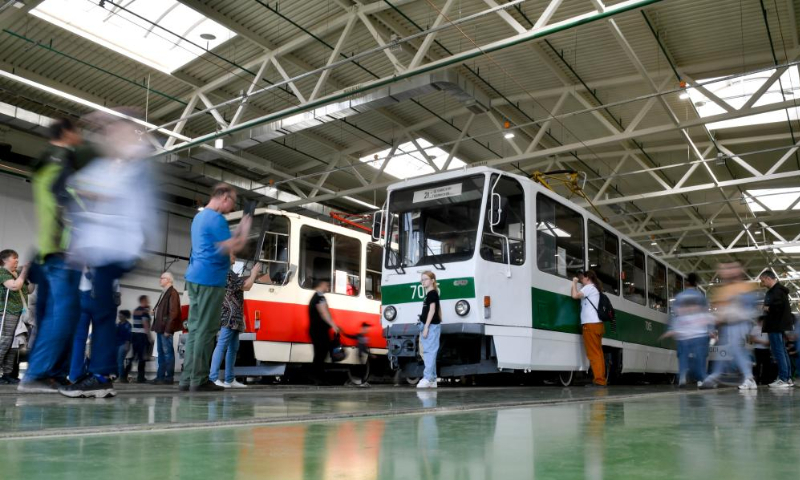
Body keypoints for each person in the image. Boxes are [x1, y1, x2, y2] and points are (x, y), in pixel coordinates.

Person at [57, 113, 155, 399]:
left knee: (101, 314)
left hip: (118, 248)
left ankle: (101, 376)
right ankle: (102, 375)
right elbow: (82, 186)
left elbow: (97, 188)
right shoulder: (107, 167)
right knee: (102, 313)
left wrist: (117, 123)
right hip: (105, 250)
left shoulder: (132, 167)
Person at [19, 118, 85, 393]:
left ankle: (51, 372)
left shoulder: (46, 162)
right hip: (62, 251)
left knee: (52, 315)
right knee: (63, 315)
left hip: (49, 250)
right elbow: (64, 200)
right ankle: (38, 372)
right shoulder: (61, 161)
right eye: (76, 132)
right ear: (67, 133)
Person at [180, 183, 252, 392]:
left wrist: (237, 231)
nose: (232, 207)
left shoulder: (200, 218)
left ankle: (188, 379)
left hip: (194, 277)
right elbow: (234, 247)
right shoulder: (216, 219)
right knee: (207, 330)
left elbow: (223, 244)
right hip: (210, 280)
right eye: (233, 202)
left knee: (195, 329)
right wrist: (245, 228)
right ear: (224, 198)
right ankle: (200, 379)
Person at [210, 256, 269, 388]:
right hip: (230, 316)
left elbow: (241, 283)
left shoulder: (230, 273)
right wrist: (254, 273)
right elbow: (246, 286)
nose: (234, 256)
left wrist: (253, 276)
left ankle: (229, 379)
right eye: (232, 254)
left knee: (233, 348)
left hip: (235, 316)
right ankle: (213, 377)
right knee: (222, 345)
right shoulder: (226, 272)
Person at [701, 263, 759, 390]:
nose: (725, 272)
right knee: (724, 352)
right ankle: (715, 376)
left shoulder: (744, 287)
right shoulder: (723, 290)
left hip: (739, 324)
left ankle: (749, 378)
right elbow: (720, 309)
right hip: (727, 326)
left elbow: (749, 307)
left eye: (730, 269)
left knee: (737, 350)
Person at [660, 273, 712, 387]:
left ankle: (682, 377)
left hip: (683, 333)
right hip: (699, 332)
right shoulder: (701, 298)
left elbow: (673, 314)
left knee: (683, 356)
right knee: (700, 358)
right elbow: (707, 315)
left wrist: (670, 329)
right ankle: (703, 378)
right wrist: (711, 330)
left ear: (686, 283)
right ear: (696, 284)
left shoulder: (679, 297)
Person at [0, 249, 33, 384]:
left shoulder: (17, 273)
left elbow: (29, 290)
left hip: (19, 313)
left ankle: (7, 374)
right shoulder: (2, 272)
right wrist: (24, 271)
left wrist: (29, 274)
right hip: (7, 312)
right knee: (4, 342)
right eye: (14, 258)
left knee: (14, 345)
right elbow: (14, 286)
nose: (17, 261)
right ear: (5, 260)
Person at [759, 270, 794, 388]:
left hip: (775, 325)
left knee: (778, 351)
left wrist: (766, 308)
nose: (762, 283)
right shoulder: (779, 291)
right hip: (779, 325)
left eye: (763, 280)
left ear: (768, 278)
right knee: (782, 351)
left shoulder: (776, 292)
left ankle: (783, 378)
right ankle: (787, 378)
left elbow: (776, 308)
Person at [571, 270, 607, 388]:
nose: (581, 280)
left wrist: (574, 283)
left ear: (587, 278)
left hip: (590, 325)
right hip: (598, 325)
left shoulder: (589, 287)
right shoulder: (595, 288)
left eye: (582, 278)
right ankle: (600, 379)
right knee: (599, 353)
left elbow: (574, 296)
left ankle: (599, 380)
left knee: (593, 354)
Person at [151, 272, 181, 385]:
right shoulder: (165, 293)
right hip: (161, 328)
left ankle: (169, 378)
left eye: (162, 278)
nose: (160, 280)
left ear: (168, 280)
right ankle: (160, 377)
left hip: (165, 329)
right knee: (161, 353)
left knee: (167, 353)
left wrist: (168, 329)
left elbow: (173, 312)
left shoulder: (172, 293)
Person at [308, 278, 339, 385]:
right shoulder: (320, 297)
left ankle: (317, 376)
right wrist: (333, 325)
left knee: (320, 353)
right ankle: (317, 376)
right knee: (321, 354)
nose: (328, 287)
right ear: (322, 284)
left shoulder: (315, 297)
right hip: (319, 331)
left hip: (316, 330)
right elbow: (324, 313)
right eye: (327, 285)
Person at [417, 271, 442, 389]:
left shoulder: (432, 293)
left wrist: (426, 327)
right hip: (428, 325)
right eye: (422, 279)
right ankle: (432, 379)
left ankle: (427, 378)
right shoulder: (430, 294)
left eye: (425, 279)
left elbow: (432, 311)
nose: (423, 281)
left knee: (429, 353)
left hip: (431, 326)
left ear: (432, 280)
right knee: (428, 352)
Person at [128, 296, 151, 384]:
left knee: (134, 355)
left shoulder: (135, 311)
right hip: (142, 335)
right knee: (142, 357)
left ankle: (124, 374)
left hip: (134, 335)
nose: (148, 302)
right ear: (143, 300)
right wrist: (149, 337)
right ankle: (140, 377)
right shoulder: (144, 312)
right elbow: (145, 324)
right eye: (147, 300)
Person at [749, 318, 773, 385]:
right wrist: (762, 342)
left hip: (766, 349)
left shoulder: (768, 328)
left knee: (766, 365)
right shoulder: (755, 328)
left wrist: (768, 342)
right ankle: (757, 379)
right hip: (758, 348)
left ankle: (765, 380)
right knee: (758, 365)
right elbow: (751, 339)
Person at [115, 310, 132, 382]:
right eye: (119, 316)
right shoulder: (118, 324)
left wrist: (127, 345)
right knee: (118, 361)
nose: (119, 317)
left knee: (120, 361)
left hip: (123, 344)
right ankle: (119, 376)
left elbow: (128, 336)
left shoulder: (128, 325)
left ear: (125, 316)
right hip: (117, 344)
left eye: (121, 316)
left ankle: (121, 377)